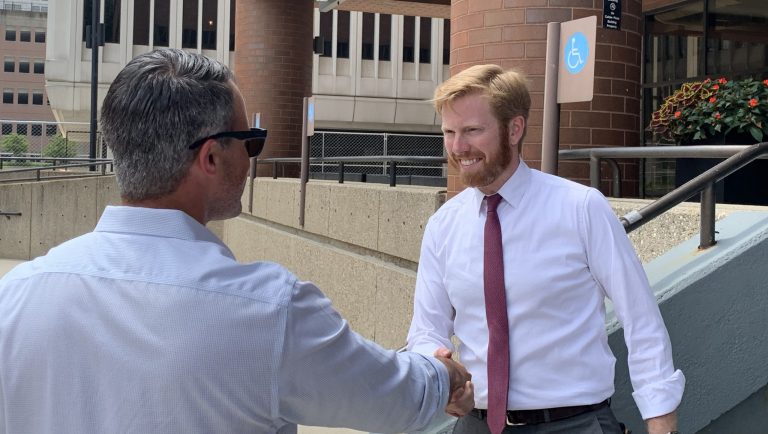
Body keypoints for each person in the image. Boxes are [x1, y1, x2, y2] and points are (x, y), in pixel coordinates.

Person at [0, 48, 473, 434]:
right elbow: (395, 398)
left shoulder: (16, 295)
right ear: (210, 157)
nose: (252, 158)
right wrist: (443, 374)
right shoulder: (267, 309)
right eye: (250, 140)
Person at [406, 64, 685, 434]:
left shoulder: (581, 208)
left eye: (472, 130)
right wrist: (441, 376)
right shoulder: (443, 225)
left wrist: (661, 420)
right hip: (475, 425)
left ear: (514, 129)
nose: (458, 148)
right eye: (449, 132)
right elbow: (426, 331)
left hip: (575, 424)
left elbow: (641, 320)